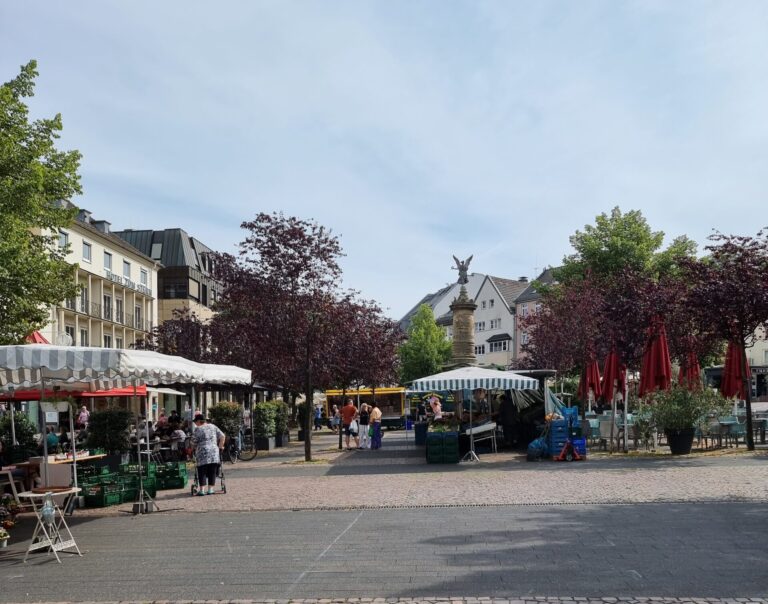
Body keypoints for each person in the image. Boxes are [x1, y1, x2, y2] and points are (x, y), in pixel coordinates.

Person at [190, 414, 225, 495]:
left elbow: (193, 442)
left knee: (202, 470)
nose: (195, 423)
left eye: (195, 422)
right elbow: (222, 436)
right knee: (212, 471)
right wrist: (220, 447)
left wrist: (193, 448)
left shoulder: (198, 429)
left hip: (202, 452)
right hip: (214, 451)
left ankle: (202, 490)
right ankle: (210, 490)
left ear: (199, 421)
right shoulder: (213, 426)